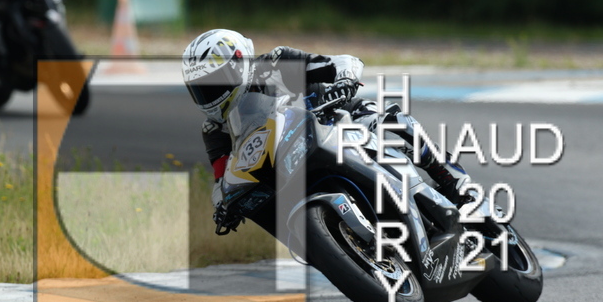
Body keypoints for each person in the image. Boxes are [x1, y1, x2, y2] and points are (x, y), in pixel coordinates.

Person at [181, 29, 470, 229]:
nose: (209, 95)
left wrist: (344, 81)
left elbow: (343, 62)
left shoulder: (275, 64)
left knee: (393, 120)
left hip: (337, 119)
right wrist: (222, 206)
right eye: (200, 89)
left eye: (214, 83)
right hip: (289, 168)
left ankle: (452, 179)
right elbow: (222, 179)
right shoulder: (214, 129)